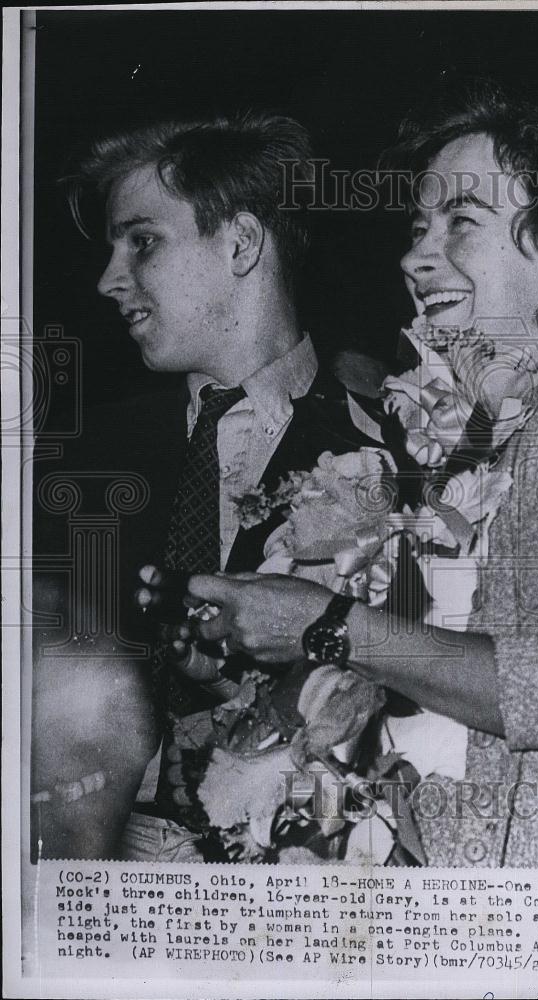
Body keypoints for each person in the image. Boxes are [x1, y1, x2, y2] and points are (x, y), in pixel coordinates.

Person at [185, 79, 538, 869]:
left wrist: (326, 624)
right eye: (417, 225)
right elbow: (406, 694)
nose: (414, 255)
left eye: (461, 222)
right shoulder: (473, 448)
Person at [32, 110, 374, 860]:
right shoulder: (75, 458)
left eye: (142, 242)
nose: (108, 280)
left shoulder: (382, 450)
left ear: (242, 243)